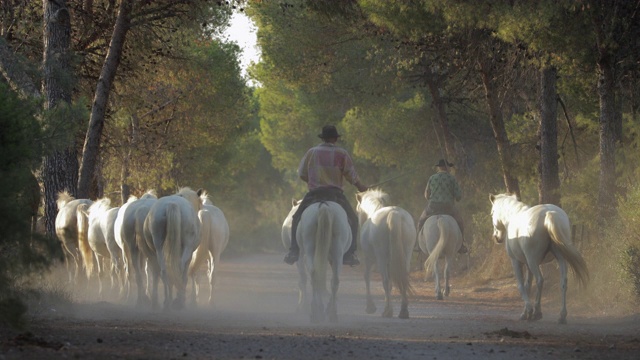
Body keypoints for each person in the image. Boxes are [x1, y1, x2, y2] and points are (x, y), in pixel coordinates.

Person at [284, 125, 368, 266]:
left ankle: (294, 250)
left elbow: (301, 174)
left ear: (322, 138)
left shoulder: (312, 152)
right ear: (335, 138)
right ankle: (350, 254)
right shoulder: (342, 153)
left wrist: (312, 181)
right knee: (353, 219)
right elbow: (351, 175)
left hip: (315, 194)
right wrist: (361, 186)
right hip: (335, 195)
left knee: (296, 217)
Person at [417, 159, 468, 254]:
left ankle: (419, 245)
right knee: (460, 222)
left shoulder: (432, 178)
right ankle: (461, 245)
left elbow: (426, 195)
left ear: (439, 167)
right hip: (448, 207)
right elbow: (458, 197)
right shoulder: (452, 178)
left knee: (420, 221)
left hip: (433, 206)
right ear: (447, 167)